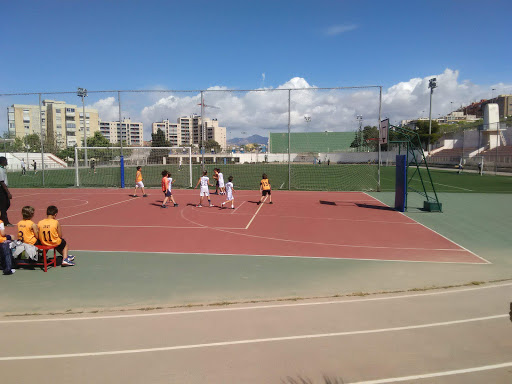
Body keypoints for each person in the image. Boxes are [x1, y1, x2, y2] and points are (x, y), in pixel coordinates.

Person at [0, 157, 13, 227]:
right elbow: (1, 182)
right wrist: (8, 192)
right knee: (4, 205)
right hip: (1, 189)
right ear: (2, 161)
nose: (6, 161)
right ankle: (5, 222)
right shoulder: (0, 170)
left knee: (6, 204)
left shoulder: (2, 169)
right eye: (6, 160)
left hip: (3, 188)